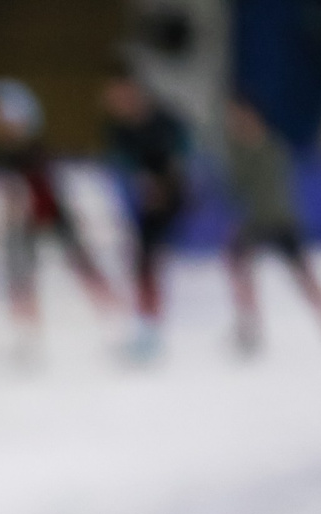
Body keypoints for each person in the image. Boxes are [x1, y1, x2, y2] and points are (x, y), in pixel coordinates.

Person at [0, 78, 116, 343]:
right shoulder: (8, 153)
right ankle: (26, 331)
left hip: (44, 215)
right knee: (23, 274)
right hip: (32, 219)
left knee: (76, 265)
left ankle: (114, 315)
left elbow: (30, 191)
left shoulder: (28, 151)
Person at [220, 97, 321, 356]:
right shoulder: (241, 148)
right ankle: (249, 327)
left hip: (276, 222)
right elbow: (236, 188)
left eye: (236, 116)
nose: (232, 122)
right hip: (260, 221)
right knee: (238, 266)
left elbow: (257, 188)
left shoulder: (267, 147)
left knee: (303, 277)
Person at [101, 70, 188, 360]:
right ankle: (146, 328)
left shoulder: (163, 122)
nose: (115, 102)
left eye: (121, 94)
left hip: (169, 199)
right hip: (145, 203)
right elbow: (124, 164)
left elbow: (182, 155)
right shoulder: (119, 130)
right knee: (141, 263)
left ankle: (151, 332)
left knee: (147, 262)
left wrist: (163, 186)